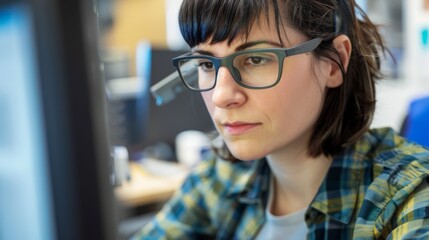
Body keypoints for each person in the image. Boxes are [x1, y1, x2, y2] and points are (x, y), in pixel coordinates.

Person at [132, 0, 429, 239]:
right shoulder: (221, 179)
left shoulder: (408, 199)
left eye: (257, 59)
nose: (222, 96)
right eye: (207, 63)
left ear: (334, 63)